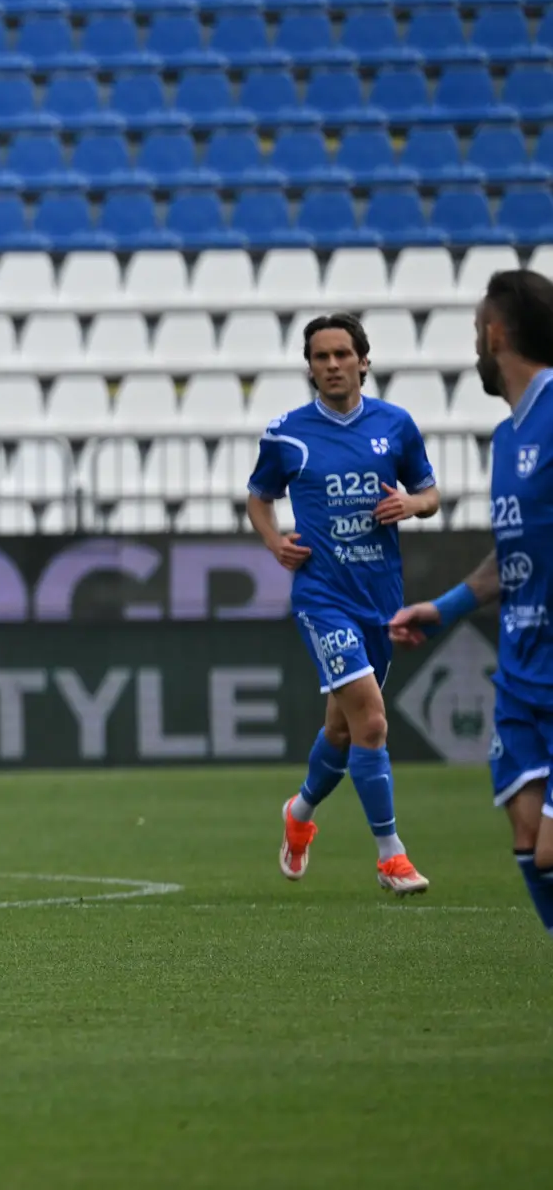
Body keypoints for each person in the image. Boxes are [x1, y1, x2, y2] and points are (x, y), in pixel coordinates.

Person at [247, 313, 439, 895]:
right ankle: (391, 856)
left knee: (342, 727)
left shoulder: (395, 425)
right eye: (320, 357)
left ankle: (300, 813)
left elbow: (430, 493)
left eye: (341, 354)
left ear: (363, 360)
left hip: (379, 598)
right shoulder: (287, 433)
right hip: (322, 597)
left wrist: (412, 505)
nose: (332, 365)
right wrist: (275, 542)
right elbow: (258, 497)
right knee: (372, 721)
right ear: (309, 367)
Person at [391, 270, 553, 935]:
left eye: (475, 333)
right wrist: (447, 607)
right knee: (528, 837)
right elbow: (516, 555)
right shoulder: (509, 436)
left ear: (496, 333)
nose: (475, 348)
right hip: (522, 670)